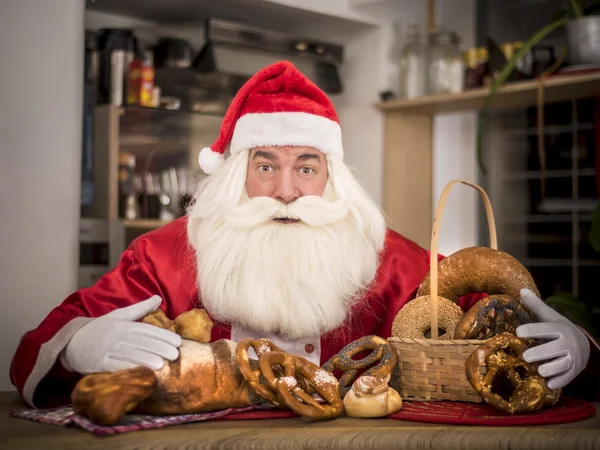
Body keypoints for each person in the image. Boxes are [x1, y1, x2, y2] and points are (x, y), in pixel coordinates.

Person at [10, 61, 594, 409]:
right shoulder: (163, 256)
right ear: (237, 172)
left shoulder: (389, 262)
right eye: (265, 165)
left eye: (306, 167)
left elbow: (493, 324)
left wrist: (578, 347)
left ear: (331, 176)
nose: (287, 189)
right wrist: (77, 347)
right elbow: (43, 341)